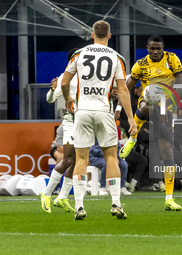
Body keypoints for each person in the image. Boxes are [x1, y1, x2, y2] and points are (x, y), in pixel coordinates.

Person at [61, 20, 137, 220]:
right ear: (110, 36)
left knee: (81, 159)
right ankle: (116, 203)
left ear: (92, 34)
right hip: (104, 112)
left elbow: (65, 81)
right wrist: (131, 117)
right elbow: (122, 90)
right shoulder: (116, 57)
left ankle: (78, 206)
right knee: (111, 158)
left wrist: (68, 98)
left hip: (83, 111)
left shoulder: (80, 54)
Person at [118, 35, 182, 211]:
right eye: (152, 48)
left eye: (158, 48)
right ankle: (132, 138)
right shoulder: (141, 65)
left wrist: (164, 104)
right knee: (147, 106)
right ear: (147, 48)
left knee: (167, 151)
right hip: (147, 102)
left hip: (166, 105)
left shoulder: (172, 59)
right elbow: (126, 87)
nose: (156, 51)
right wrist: (119, 108)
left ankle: (169, 198)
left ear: (162, 47)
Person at [40, 49, 78, 214]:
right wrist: (52, 89)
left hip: (85, 123)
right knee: (69, 158)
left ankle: (62, 197)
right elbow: (50, 99)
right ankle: (46, 193)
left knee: (77, 160)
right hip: (70, 122)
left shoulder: (88, 77)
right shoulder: (65, 77)